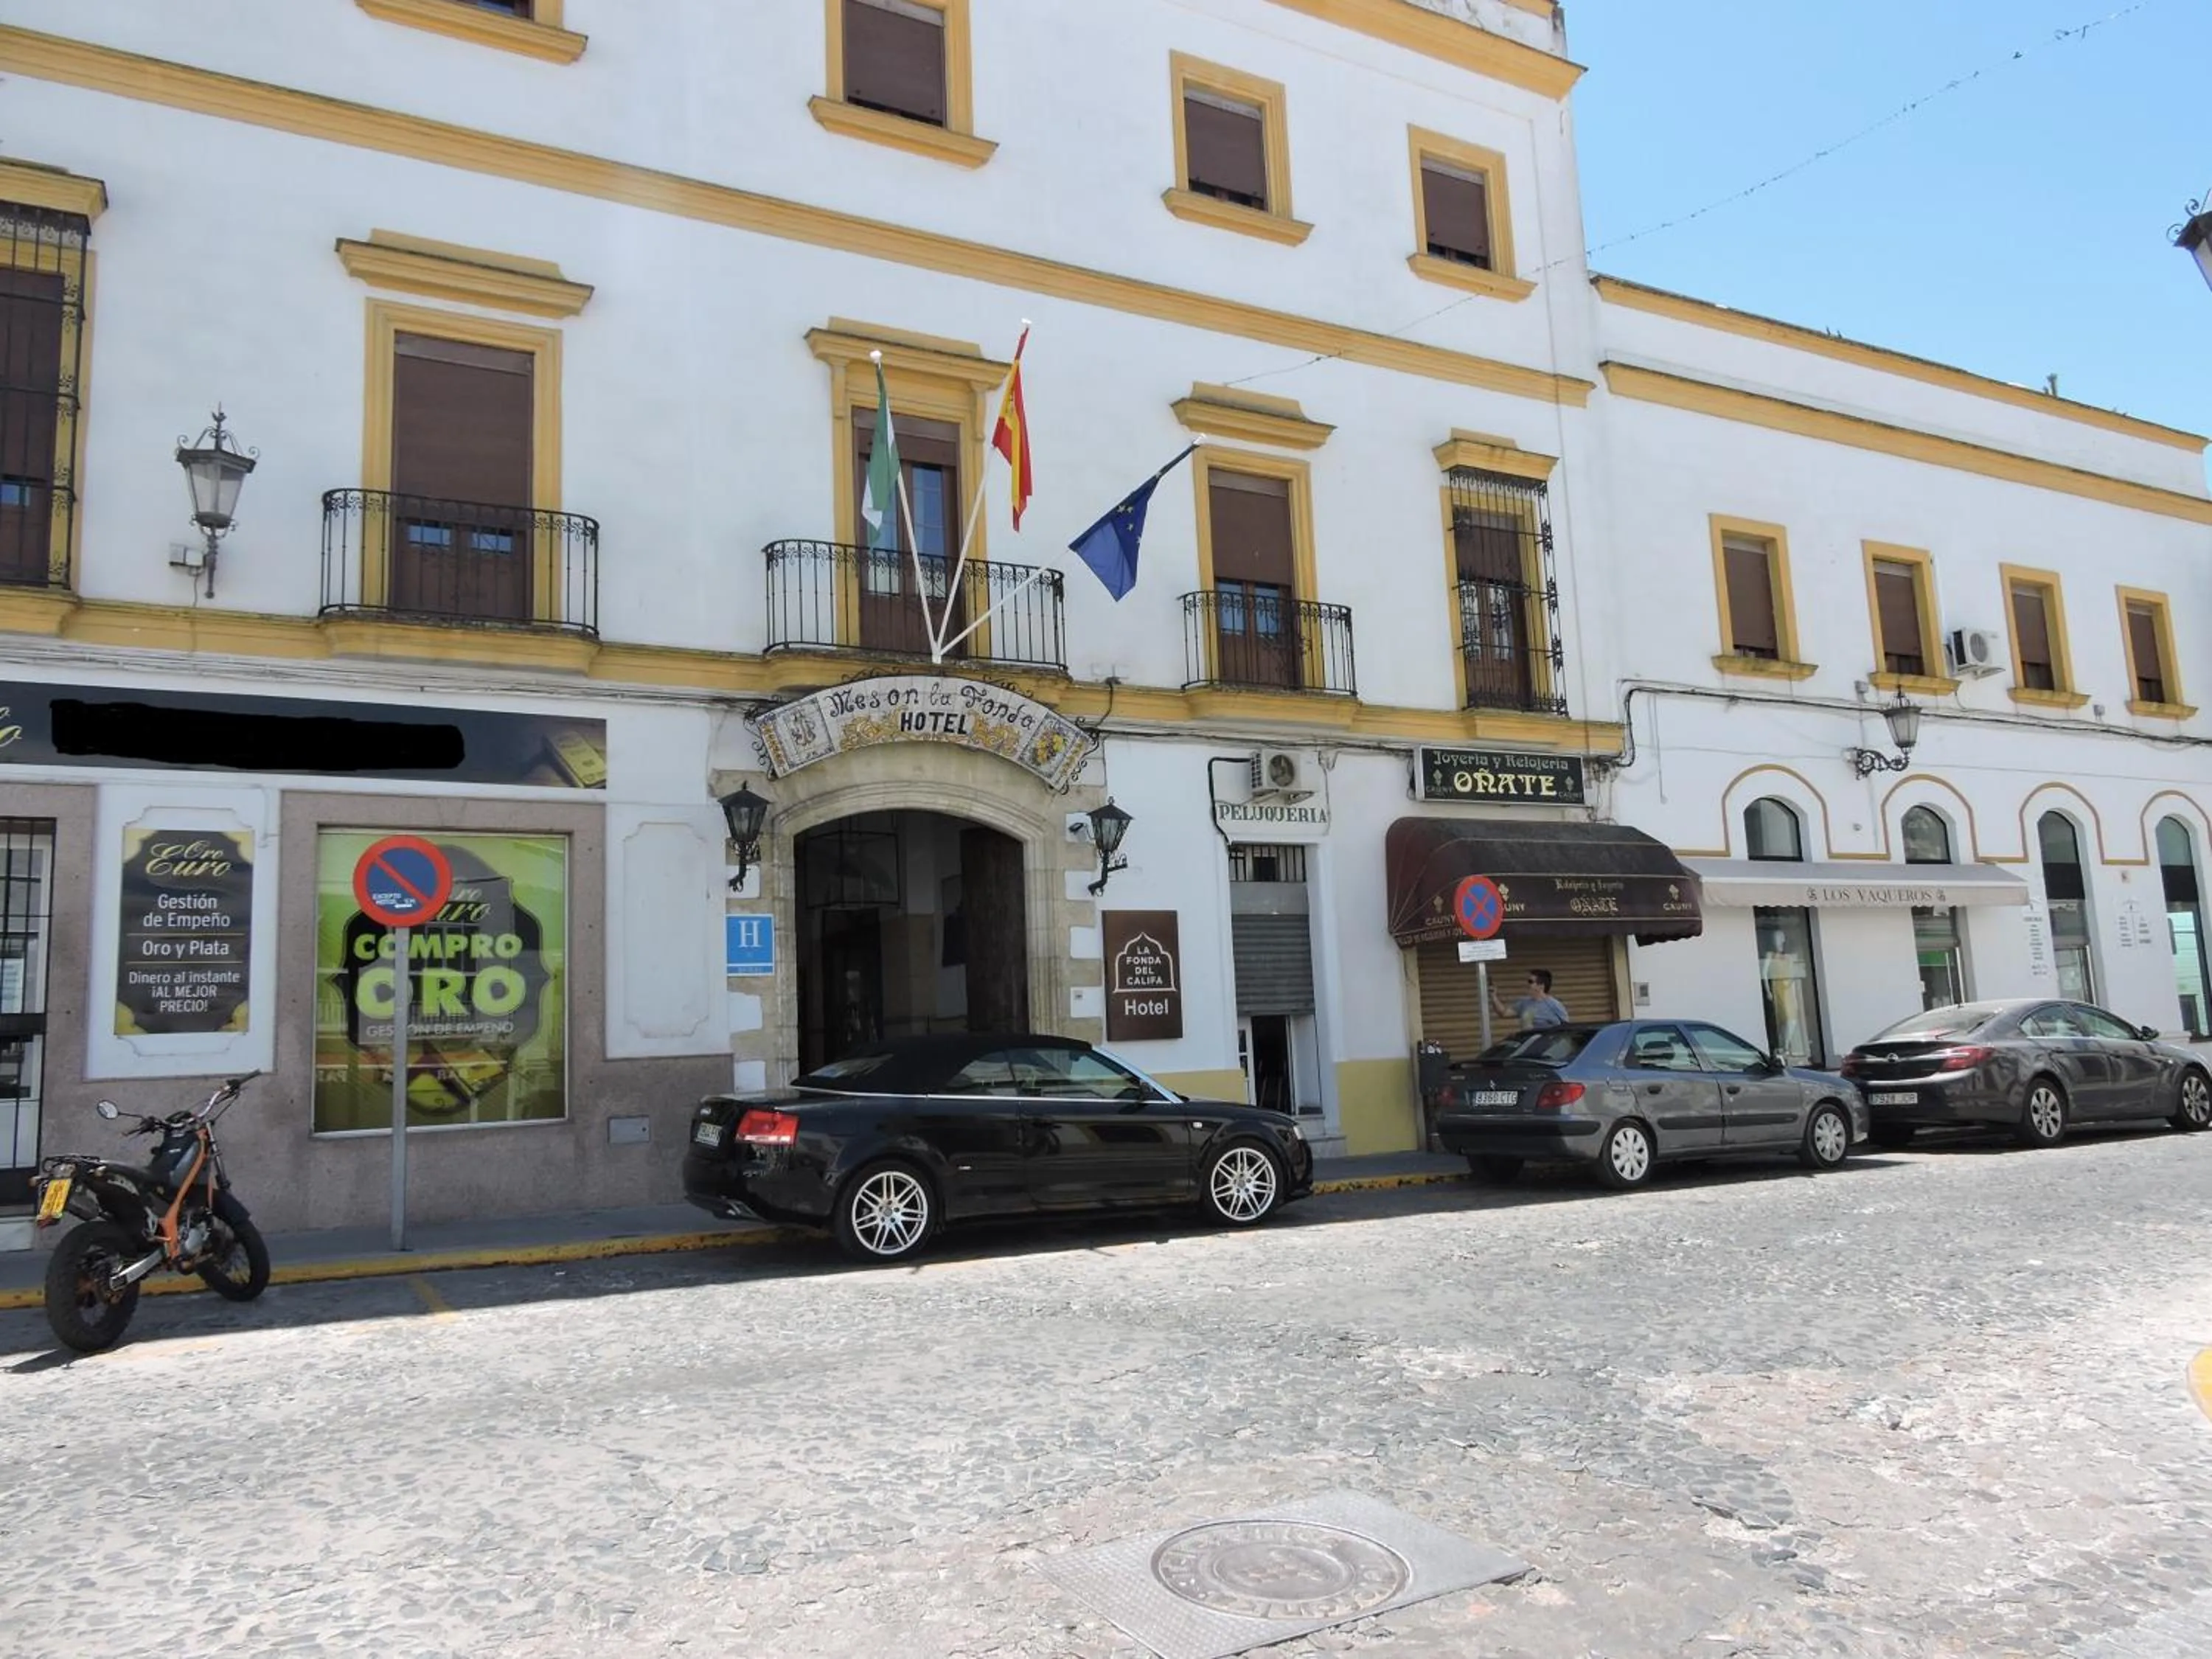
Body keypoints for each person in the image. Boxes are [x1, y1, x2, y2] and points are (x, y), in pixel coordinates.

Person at [1492, 968, 1568, 1031]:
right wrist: (1494, 996)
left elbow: (1566, 1028)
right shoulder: (1524, 1003)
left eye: (1531, 982)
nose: (1528, 984)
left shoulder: (1554, 1005)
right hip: (1528, 1045)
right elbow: (1504, 1013)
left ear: (1541, 986)